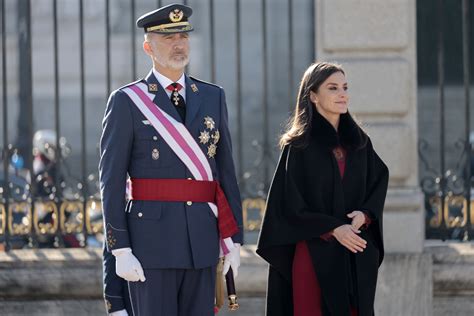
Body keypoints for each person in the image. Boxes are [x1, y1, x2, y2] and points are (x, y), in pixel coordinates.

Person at [99, 3, 243, 316]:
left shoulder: (212, 96)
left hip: (202, 244)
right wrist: (119, 248)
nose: (178, 43)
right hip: (151, 246)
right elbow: (110, 182)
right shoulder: (127, 101)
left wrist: (235, 238)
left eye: (183, 36)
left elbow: (225, 171)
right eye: (168, 38)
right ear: (148, 47)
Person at [256, 62, 389, 316]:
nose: (342, 94)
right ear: (314, 96)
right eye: (333, 88)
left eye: (345, 87)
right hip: (313, 255)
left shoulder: (360, 143)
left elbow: (378, 181)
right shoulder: (299, 147)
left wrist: (365, 214)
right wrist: (332, 228)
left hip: (353, 252)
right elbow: (289, 206)